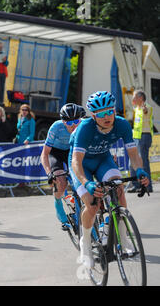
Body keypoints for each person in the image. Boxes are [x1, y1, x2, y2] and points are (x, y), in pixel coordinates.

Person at [70, 91, 150, 269]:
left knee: (118, 187)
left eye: (110, 111)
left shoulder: (122, 124)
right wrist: (87, 183)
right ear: (93, 116)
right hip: (82, 164)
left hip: (102, 159)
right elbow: (76, 161)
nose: (107, 117)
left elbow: (133, 154)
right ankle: (85, 242)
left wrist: (140, 170)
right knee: (92, 205)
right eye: (101, 114)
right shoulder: (85, 127)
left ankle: (124, 238)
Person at [41, 103, 86, 231]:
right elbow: (45, 153)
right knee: (60, 181)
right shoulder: (56, 127)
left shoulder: (83, 125)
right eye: (68, 122)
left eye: (76, 121)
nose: (73, 126)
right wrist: (49, 173)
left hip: (72, 150)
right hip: (56, 152)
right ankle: (58, 205)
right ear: (63, 121)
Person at [128, 90, 154, 193]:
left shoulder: (147, 107)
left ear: (140, 98)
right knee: (132, 161)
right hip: (136, 137)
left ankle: (148, 186)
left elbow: (146, 111)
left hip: (144, 136)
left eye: (134, 97)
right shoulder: (136, 109)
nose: (133, 99)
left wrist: (144, 109)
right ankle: (135, 185)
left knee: (143, 161)